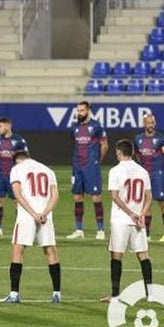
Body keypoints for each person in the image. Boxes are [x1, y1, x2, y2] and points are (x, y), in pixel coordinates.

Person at [0, 150, 62, 304]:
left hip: (27, 216)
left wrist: (33, 214)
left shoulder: (17, 169)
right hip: (45, 216)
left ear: (17, 160)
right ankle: (56, 293)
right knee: (50, 251)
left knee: (18, 251)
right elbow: (55, 195)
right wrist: (44, 213)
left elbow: (17, 194)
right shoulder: (48, 170)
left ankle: (14, 294)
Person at [103, 140, 154, 303]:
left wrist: (131, 214)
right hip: (138, 220)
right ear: (131, 152)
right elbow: (149, 198)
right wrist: (141, 215)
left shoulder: (115, 171)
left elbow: (115, 197)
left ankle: (116, 295)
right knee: (143, 255)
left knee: (116, 255)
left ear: (118, 153)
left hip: (121, 220)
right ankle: (150, 294)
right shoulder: (143, 171)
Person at [66, 101, 108, 241]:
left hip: (91, 167)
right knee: (77, 197)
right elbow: (76, 144)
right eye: (78, 110)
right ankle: (79, 230)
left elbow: (104, 145)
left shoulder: (96, 127)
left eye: (82, 110)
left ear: (88, 111)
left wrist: (97, 161)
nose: (79, 113)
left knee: (96, 197)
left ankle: (101, 230)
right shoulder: (74, 127)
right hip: (77, 166)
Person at [133, 113, 164, 242]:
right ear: (144, 124)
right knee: (146, 205)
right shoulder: (138, 139)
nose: (151, 125)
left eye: (152, 123)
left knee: (162, 203)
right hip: (145, 176)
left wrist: (161, 170)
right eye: (148, 123)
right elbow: (137, 155)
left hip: (158, 175)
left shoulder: (162, 139)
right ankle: (147, 235)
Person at [0, 117, 28, 238]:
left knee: (17, 202)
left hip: (14, 176)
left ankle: (20, 228)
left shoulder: (19, 140)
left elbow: (25, 158)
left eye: (0, 126)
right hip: (0, 175)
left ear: (8, 126)